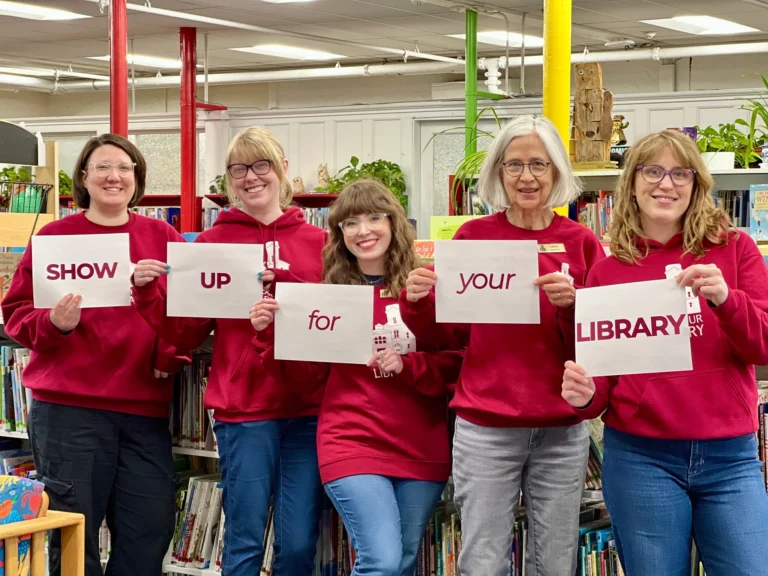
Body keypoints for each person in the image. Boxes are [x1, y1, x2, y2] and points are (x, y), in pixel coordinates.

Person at [400, 115, 606, 576]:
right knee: (482, 559)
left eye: (538, 164)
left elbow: (600, 344)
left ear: (556, 173)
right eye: (513, 165)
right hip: (486, 426)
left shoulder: (582, 242)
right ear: (497, 173)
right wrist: (416, 304)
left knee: (554, 562)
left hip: (561, 428)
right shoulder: (473, 238)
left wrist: (574, 308)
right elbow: (448, 337)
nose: (526, 177)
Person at [561, 129, 768, 576]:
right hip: (642, 458)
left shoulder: (736, 250)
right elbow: (601, 385)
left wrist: (726, 300)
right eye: (652, 170)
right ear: (631, 184)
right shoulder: (607, 271)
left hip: (730, 458)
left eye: (680, 173)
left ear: (696, 186)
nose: (665, 183)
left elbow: (764, 344)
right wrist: (583, 397)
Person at [132, 126, 326, 576]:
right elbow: (185, 332)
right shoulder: (212, 245)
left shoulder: (321, 245)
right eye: (238, 169)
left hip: (309, 408)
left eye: (261, 165)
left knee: (298, 544)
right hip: (246, 409)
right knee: (244, 539)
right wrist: (147, 294)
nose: (251, 177)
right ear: (228, 179)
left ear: (283, 172)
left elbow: (336, 323)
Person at [249, 179, 463, 576]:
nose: (363, 231)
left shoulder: (424, 287)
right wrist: (270, 336)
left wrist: (407, 366)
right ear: (338, 235)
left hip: (421, 444)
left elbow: (458, 365)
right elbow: (306, 379)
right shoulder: (327, 295)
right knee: (380, 561)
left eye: (374, 218)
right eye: (350, 223)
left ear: (394, 222)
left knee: (402, 560)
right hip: (351, 440)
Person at [1, 134, 189, 576]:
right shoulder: (54, 237)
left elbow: (187, 313)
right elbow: (15, 316)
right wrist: (54, 324)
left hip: (143, 410)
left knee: (149, 528)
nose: (113, 177)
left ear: (137, 178)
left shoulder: (162, 235)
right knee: (73, 532)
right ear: (83, 177)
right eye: (102, 167)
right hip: (69, 411)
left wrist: (169, 353)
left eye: (124, 168)